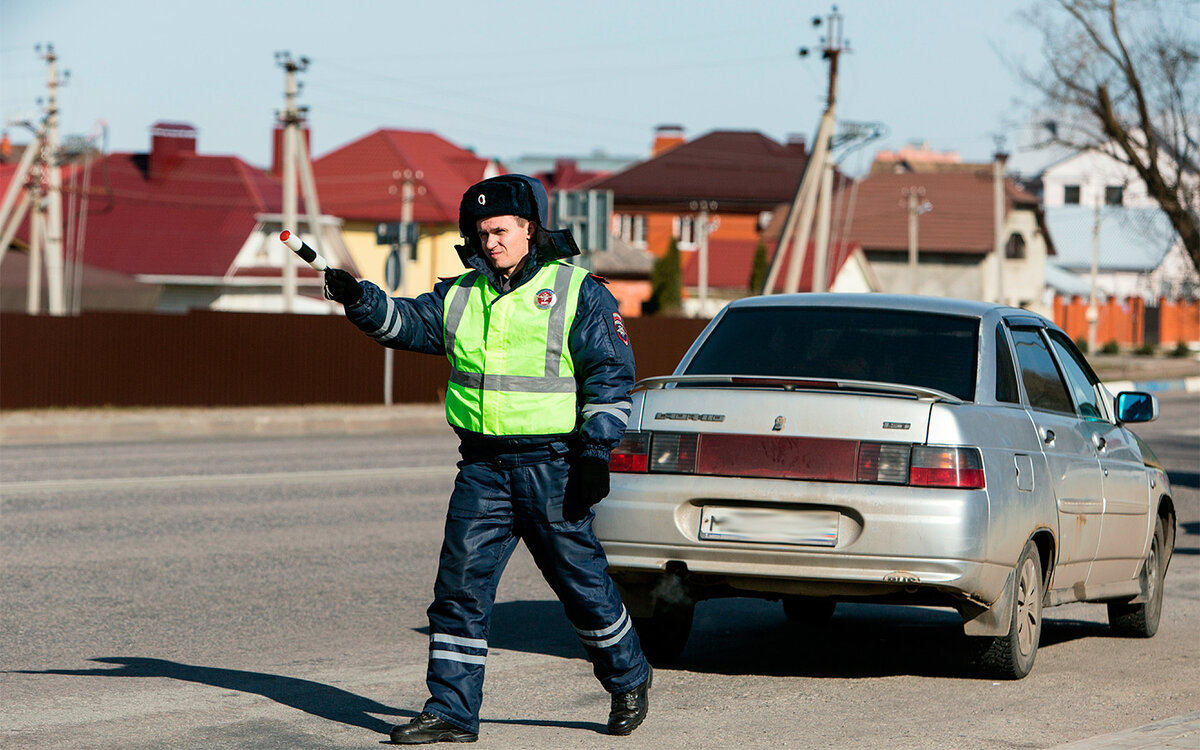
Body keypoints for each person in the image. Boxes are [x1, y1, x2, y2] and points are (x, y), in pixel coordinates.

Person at [322, 174, 652, 744]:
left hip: (555, 465)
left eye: (500, 230)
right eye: (481, 232)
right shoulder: (460, 293)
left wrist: (596, 454)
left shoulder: (578, 292)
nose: (489, 241)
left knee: (581, 586)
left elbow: (611, 380)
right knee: (459, 591)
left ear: (530, 229)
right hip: (482, 470)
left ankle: (628, 677)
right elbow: (404, 324)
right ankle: (451, 711)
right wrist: (358, 298)